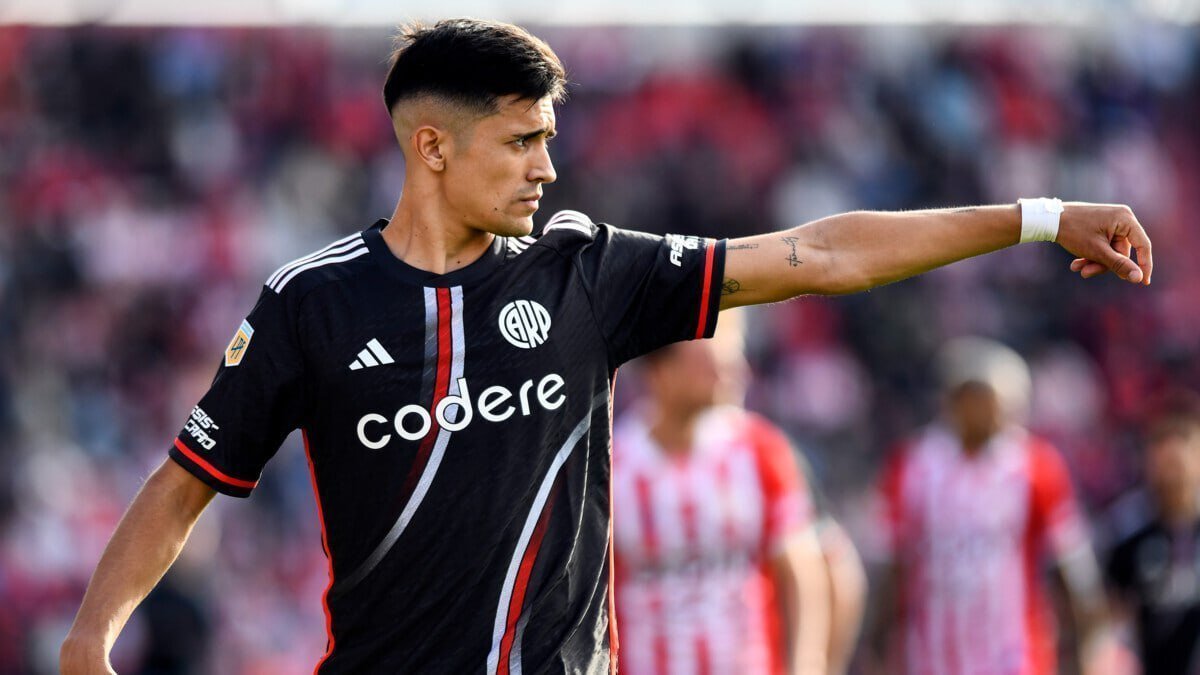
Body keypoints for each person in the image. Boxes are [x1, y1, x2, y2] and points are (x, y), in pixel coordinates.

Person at [59, 18, 1151, 675]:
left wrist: (1042, 215)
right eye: (521, 141)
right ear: (431, 147)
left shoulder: (587, 270)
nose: (547, 167)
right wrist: (88, 639)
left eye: (551, 139)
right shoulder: (313, 302)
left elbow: (820, 253)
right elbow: (188, 479)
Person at [612, 313, 865, 675]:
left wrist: (809, 664)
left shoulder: (761, 450)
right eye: (709, 359)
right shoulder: (611, 466)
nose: (731, 371)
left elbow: (813, 568)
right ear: (659, 372)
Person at [869, 337, 1110, 675]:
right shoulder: (912, 466)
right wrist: (877, 642)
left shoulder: (1037, 466)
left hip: (1015, 657)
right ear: (956, 398)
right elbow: (891, 562)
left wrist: (1087, 643)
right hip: (930, 658)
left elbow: (1071, 563)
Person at [1105, 391, 1200, 675]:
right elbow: (1110, 617)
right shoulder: (1128, 534)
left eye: (1179, 463)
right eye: (1163, 460)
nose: (1172, 475)